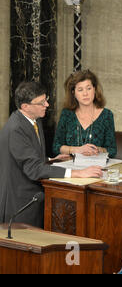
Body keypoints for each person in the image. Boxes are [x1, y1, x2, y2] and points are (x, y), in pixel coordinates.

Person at [0, 81, 103, 228]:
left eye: (46, 99)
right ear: (25, 106)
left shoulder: (33, 120)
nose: (47, 105)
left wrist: (50, 159)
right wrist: (77, 173)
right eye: (41, 102)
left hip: (33, 198)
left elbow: (25, 155)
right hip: (20, 203)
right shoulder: (16, 128)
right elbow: (34, 169)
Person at [53, 69, 117, 158]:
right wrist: (77, 150)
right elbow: (56, 147)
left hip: (96, 166)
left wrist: (98, 150)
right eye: (80, 90)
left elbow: (112, 150)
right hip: (71, 166)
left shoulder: (106, 115)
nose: (85, 93)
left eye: (89, 88)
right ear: (73, 93)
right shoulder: (67, 114)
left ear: (94, 89)